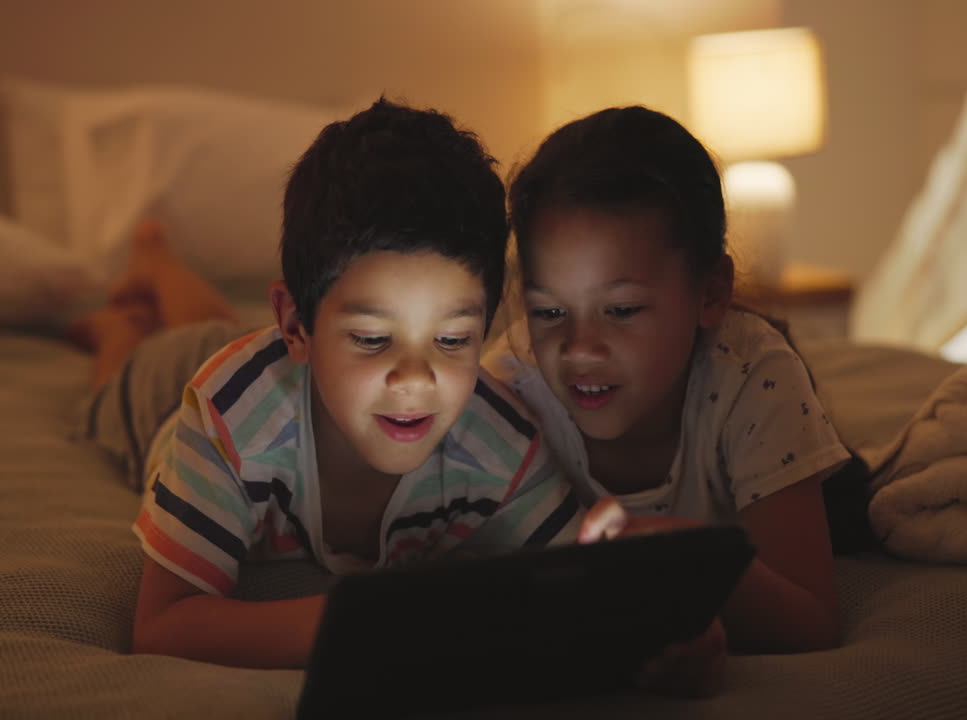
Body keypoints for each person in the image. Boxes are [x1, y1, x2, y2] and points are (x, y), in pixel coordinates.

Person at [68, 99, 580, 670]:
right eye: (371, 338)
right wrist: (368, 622)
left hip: (272, 365)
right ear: (294, 324)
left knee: (216, 330)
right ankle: (128, 308)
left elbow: (588, 589)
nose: (414, 381)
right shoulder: (227, 420)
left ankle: (159, 264)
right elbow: (161, 626)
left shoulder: (501, 445)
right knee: (114, 390)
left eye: (453, 340)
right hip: (171, 399)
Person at [488, 106, 851, 693]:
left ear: (710, 293)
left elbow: (813, 619)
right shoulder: (508, 399)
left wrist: (684, 565)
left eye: (623, 310)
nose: (579, 349)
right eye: (549, 312)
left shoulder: (752, 377)